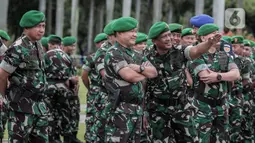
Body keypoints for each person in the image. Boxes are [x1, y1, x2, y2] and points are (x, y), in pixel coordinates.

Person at [145, 21, 222, 142]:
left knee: (190, 139)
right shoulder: (146, 55)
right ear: (155, 41)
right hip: (157, 109)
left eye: (169, 35)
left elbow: (196, 50)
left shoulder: (180, 50)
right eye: (164, 37)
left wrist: (209, 43)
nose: (169, 39)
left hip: (181, 107)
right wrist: (144, 111)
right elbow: (143, 84)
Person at [104, 17, 157, 142]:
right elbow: (130, 76)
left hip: (136, 110)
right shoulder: (114, 53)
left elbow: (154, 72)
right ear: (120, 33)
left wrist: (138, 68)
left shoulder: (136, 55)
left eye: (135, 31)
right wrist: (144, 72)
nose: (135, 35)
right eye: (131, 31)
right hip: (119, 111)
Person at [0, 10, 49, 142]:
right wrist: (3, 98)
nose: (41, 30)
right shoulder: (18, 48)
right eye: (38, 26)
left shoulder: (38, 45)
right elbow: (2, 76)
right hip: (21, 107)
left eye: (43, 26)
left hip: (39, 106)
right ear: (27, 27)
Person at [190, 24, 240, 142]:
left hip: (221, 107)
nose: (217, 36)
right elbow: (206, 77)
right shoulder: (197, 55)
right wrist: (226, 76)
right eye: (213, 33)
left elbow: (236, 74)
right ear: (202, 38)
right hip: (203, 107)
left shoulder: (223, 55)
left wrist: (217, 75)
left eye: (217, 32)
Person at [82, 33, 107, 142]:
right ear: (97, 44)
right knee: (92, 118)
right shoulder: (92, 57)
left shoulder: (113, 54)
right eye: (102, 42)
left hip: (103, 91)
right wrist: (91, 88)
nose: (105, 44)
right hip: (97, 91)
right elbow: (84, 76)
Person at [62, 36, 83, 143]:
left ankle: (72, 137)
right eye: (71, 45)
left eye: (74, 45)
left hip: (72, 93)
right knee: (66, 117)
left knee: (74, 116)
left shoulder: (69, 58)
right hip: (65, 93)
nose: (73, 48)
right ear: (64, 46)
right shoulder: (62, 58)